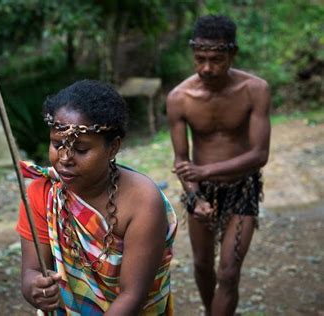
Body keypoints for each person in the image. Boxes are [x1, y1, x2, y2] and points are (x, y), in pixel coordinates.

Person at [16, 79, 177, 315]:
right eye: (57, 144)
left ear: (113, 148)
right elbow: (31, 272)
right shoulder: (41, 193)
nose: (65, 158)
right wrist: (36, 288)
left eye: (81, 149)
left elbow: (133, 295)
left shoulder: (142, 202)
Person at [166, 15, 271, 316]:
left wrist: (205, 171)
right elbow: (181, 160)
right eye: (200, 59)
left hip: (243, 187)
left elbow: (260, 154)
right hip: (200, 192)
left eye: (216, 59)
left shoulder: (255, 90)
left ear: (233, 54)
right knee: (202, 264)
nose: (207, 68)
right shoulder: (179, 98)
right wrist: (194, 196)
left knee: (228, 272)